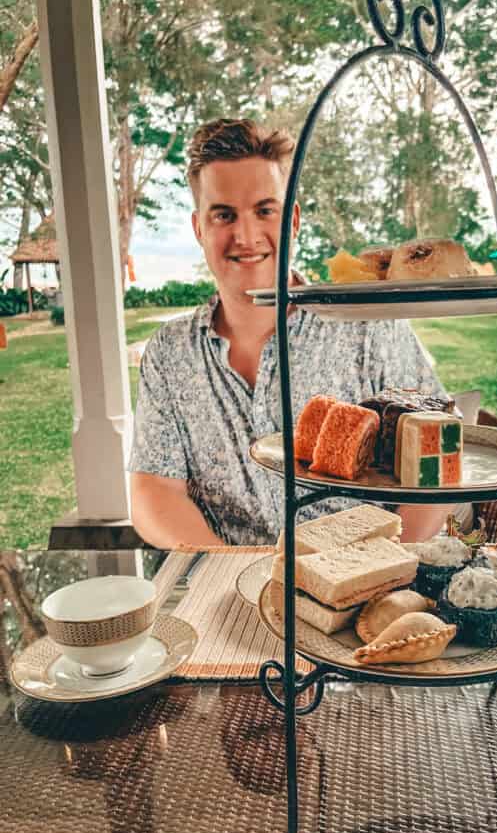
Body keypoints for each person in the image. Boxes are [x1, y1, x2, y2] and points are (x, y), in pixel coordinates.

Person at [129, 118, 454, 548]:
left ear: (294, 220)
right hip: (227, 584)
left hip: (369, 580)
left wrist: (379, 569)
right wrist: (234, 574)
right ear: (198, 228)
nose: (246, 236)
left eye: (265, 211)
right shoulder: (169, 354)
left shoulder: (368, 325)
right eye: (224, 215)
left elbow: (441, 455)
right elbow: (154, 490)